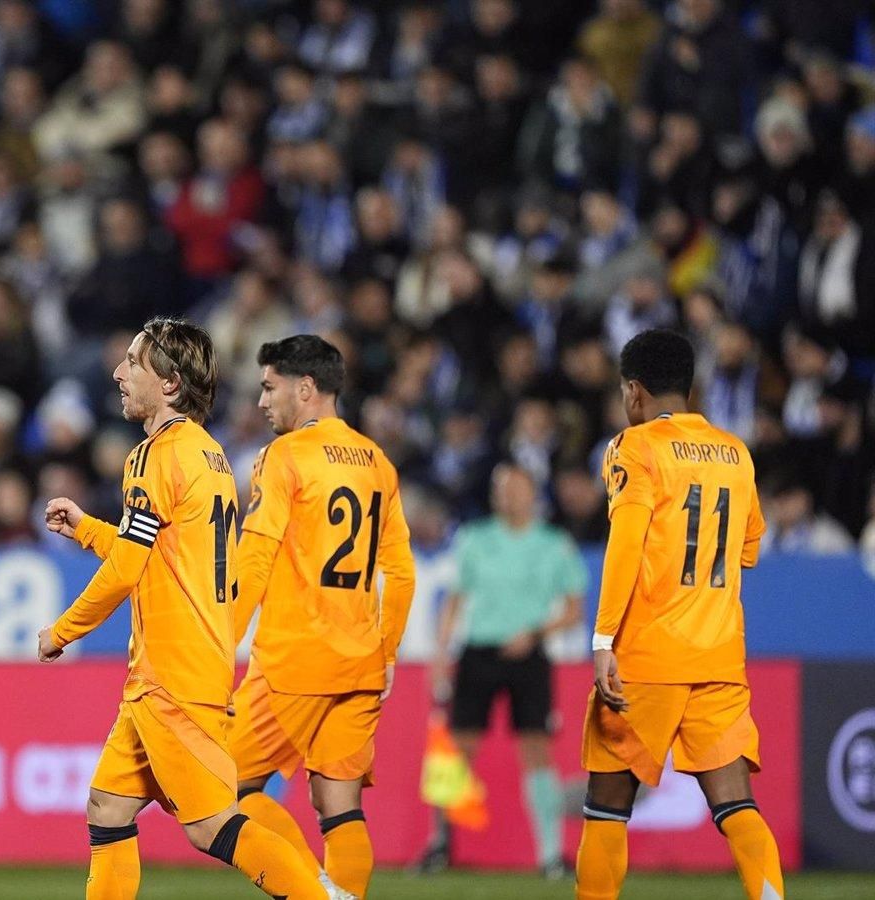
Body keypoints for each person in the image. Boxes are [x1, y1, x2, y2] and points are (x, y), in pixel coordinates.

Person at [37, 318, 327, 900]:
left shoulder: (153, 456)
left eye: (133, 363)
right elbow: (157, 550)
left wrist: (62, 632)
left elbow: (127, 570)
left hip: (171, 677)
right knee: (108, 807)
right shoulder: (209, 454)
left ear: (169, 384)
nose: (118, 374)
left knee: (212, 826)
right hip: (178, 669)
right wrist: (90, 529)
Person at [577, 329, 782, 900]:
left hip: (646, 657)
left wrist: (602, 639)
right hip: (717, 656)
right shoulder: (735, 452)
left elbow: (625, 544)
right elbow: (749, 548)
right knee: (737, 807)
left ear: (635, 391)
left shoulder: (633, 446)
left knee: (605, 812)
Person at [229, 335, 417, 900]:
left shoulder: (283, 456)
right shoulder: (377, 462)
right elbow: (402, 573)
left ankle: (313, 893)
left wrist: (221, 642)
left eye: (269, 388)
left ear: (304, 388)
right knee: (338, 805)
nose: (262, 402)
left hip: (293, 659)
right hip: (360, 661)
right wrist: (386, 655)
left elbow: (256, 555)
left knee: (222, 791)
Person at [420, 463, 586, 879]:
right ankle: (440, 844)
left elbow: (572, 611)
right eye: (501, 489)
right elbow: (455, 600)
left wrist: (534, 633)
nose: (507, 495)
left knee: (536, 750)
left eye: (515, 488)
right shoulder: (475, 539)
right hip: (479, 651)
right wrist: (441, 653)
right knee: (458, 750)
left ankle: (550, 855)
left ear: (533, 493)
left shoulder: (554, 544)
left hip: (529, 654)